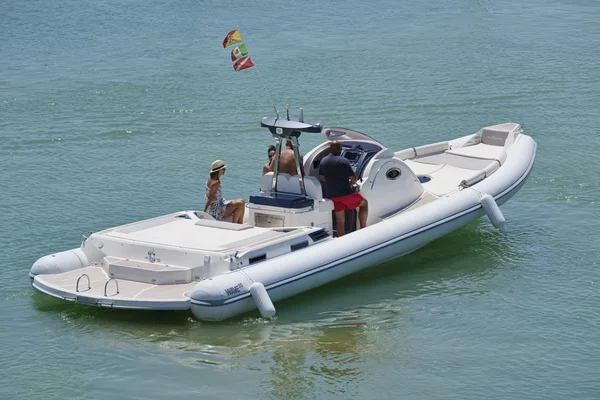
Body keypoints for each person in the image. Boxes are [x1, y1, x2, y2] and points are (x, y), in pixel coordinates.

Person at [319, 141, 368, 236]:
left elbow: (322, 177)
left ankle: (341, 239)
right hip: (346, 193)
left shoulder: (324, 161)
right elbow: (353, 179)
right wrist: (349, 182)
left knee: (340, 220)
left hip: (333, 195)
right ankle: (363, 229)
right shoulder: (343, 161)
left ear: (330, 149)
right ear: (340, 150)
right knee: (364, 204)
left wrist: (332, 181)